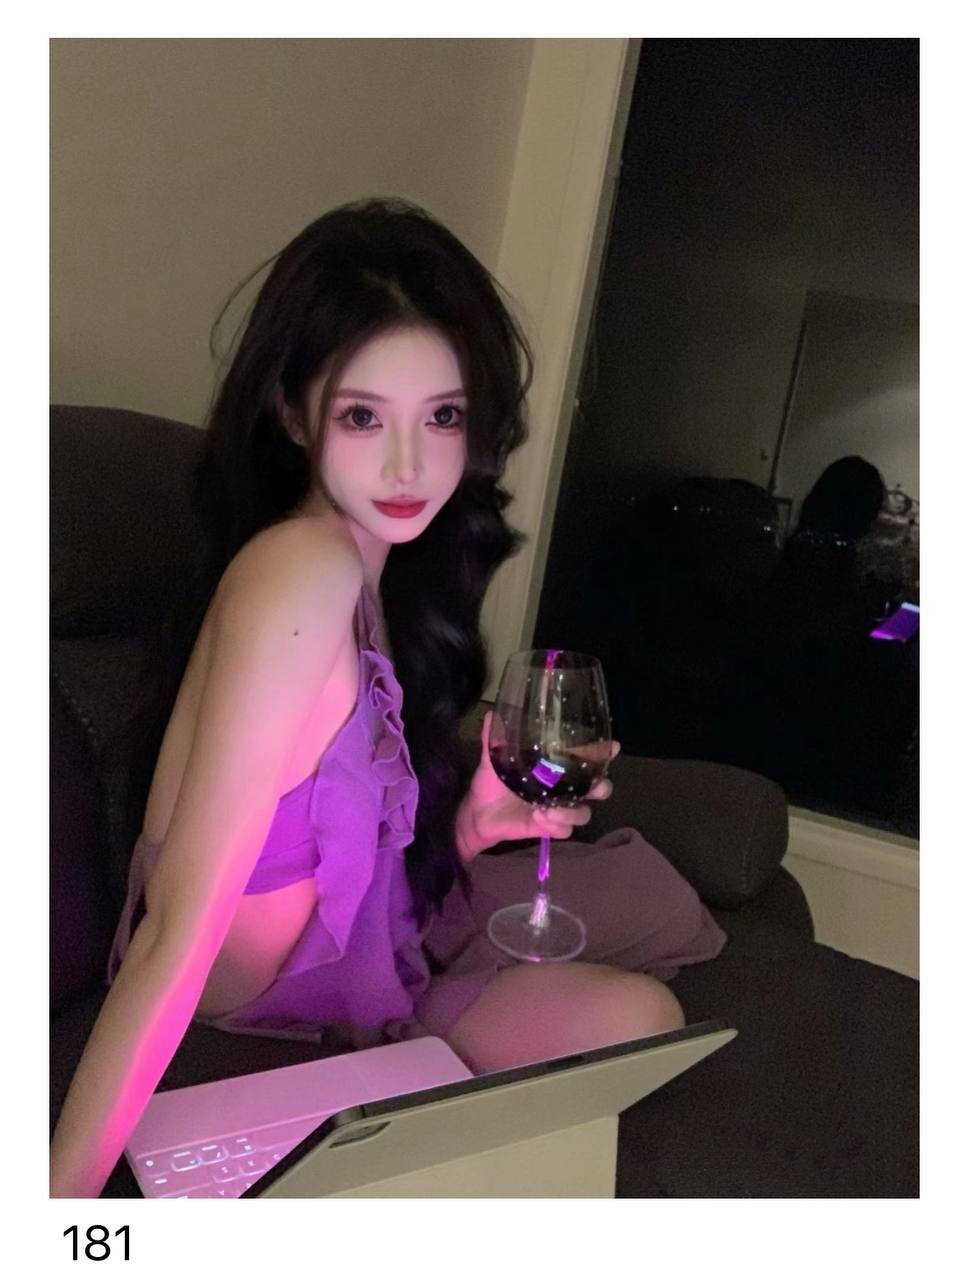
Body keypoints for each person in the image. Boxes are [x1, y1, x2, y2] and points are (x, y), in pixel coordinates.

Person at [50, 197, 724, 1198]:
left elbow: (342, 837)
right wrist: (58, 1211)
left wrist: (472, 824)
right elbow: (174, 929)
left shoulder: (368, 568)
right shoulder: (300, 573)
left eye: (442, 416)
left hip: (361, 975)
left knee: (645, 1013)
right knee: (629, 992)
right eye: (363, 415)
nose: (410, 465)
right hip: (276, 1005)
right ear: (292, 412)